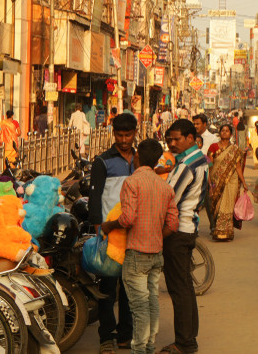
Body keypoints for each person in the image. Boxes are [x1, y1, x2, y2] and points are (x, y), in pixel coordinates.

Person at [100, 140, 178, 354]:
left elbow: (127, 219)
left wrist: (109, 225)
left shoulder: (132, 183)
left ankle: (141, 350)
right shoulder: (165, 186)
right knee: (151, 301)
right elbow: (173, 224)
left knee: (139, 307)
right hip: (156, 252)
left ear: (138, 158)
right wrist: (154, 236)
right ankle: (149, 346)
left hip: (136, 254)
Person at [88, 113, 138, 353]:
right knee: (107, 288)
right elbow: (94, 199)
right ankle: (106, 336)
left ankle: (125, 334)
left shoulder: (139, 160)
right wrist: (99, 230)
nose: (124, 139)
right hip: (110, 234)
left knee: (129, 287)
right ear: (113, 134)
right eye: (120, 135)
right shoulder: (102, 161)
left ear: (135, 133)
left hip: (134, 233)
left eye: (128, 135)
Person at [161, 119, 209, 354]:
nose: (172, 143)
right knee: (185, 287)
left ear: (190, 138)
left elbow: (169, 200)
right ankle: (188, 339)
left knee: (179, 289)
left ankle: (185, 342)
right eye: (169, 139)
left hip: (178, 231)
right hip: (188, 229)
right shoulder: (198, 159)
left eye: (176, 139)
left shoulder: (186, 165)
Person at [205, 124, 248, 242]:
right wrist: (209, 183)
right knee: (216, 206)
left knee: (228, 205)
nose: (224, 132)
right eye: (222, 130)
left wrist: (243, 182)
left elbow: (238, 166)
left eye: (227, 131)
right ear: (219, 133)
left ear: (231, 134)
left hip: (231, 182)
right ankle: (216, 228)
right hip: (215, 180)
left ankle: (225, 232)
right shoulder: (213, 147)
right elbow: (209, 165)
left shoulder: (234, 149)